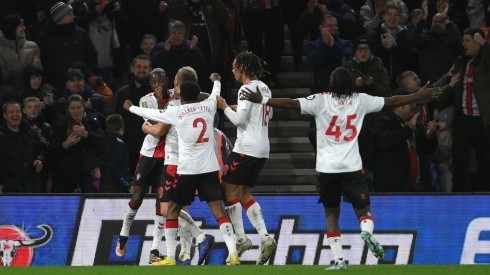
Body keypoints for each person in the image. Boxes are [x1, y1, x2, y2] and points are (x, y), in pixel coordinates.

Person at [240, 67, 439, 270]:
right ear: (350, 83)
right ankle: (366, 232)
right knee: (363, 211)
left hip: (327, 168)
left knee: (331, 213)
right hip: (352, 166)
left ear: (332, 83)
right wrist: (419, 95)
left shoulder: (320, 100)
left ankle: (338, 259)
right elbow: (391, 101)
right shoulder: (360, 100)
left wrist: (263, 100)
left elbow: (290, 104)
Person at [123, 74, 240, 266]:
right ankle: (233, 253)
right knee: (219, 210)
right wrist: (217, 80)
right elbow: (215, 94)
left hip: (188, 170)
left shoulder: (178, 111)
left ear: (182, 97)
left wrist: (131, 108)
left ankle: (169, 257)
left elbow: (155, 116)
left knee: (173, 210)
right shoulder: (209, 105)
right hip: (209, 169)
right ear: (197, 95)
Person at [215, 51, 276, 265]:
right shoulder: (264, 88)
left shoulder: (245, 88)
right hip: (262, 148)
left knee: (227, 188)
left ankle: (240, 239)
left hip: (246, 147)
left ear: (243, 67)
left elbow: (239, 121)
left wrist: (224, 107)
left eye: (234, 66)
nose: (232, 70)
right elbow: (263, 113)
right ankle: (265, 237)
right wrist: (236, 108)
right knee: (244, 193)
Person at [436, 28, 490, 192]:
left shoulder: (486, 59)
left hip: (484, 121)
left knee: (486, 161)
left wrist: (486, 46)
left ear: (477, 42)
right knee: (459, 161)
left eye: (467, 40)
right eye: (463, 41)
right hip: (464, 119)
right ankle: (460, 196)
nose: (464, 44)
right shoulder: (460, 62)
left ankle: (485, 196)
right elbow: (448, 84)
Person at [373, 88, 438, 192]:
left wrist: (430, 136)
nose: (413, 106)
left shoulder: (418, 125)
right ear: (398, 106)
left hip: (420, 187)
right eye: (410, 103)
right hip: (395, 190)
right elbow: (387, 142)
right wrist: (408, 129)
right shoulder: (384, 124)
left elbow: (430, 151)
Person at [0, 101, 47, 193]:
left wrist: (40, 159)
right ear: (4, 115)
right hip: (10, 188)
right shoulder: (1, 137)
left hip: (33, 186)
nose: (15, 114)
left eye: (18, 111)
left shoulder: (32, 132)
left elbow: (42, 148)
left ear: (21, 113)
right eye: (11, 112)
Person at [99, 114, 131, 193]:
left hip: (104, 187)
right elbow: (114, 169)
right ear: (122, 128)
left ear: (107, 129)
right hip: (116, 190)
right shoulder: (119, 143)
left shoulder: (104, 141)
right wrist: (127, 186)